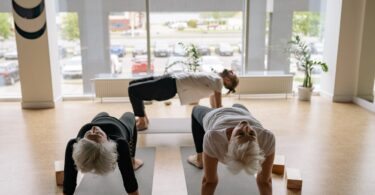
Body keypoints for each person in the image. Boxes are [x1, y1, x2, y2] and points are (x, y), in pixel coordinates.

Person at [188, 104, 275, 195]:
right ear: (258, 144)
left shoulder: (213, 137)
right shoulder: (267, 137)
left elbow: (209, 182)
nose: (246, 126)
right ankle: (231, 106)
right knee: (237, 104)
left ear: (230, 139)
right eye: (252, 133)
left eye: (240, 134)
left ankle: (199, 159)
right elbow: (265, 181)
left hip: (216, 114)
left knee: (195, 109)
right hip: (242, 112)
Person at [128, 69, 239, 130]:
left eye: (232, 74)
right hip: (170, 77)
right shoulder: (215, 77)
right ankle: (144, 119)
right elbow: (214, 103)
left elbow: (217, 106)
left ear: (229, 82)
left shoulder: (218, 81)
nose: (231, 71)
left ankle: (142, 122)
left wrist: (223, 123)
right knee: (133, 84)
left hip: (170, 85)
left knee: (133, 90)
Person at [63, 112, 143, 195]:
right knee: (130, 115)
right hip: (122, 125)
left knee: (103, 113)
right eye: (98, 134)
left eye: (89, 133)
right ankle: (133, 160)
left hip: (99, 118)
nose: (93, 128)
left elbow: (68, 184)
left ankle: (132, 160)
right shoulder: (120, 143)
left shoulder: (73, 144)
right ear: (108, 141)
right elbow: (129, 180)